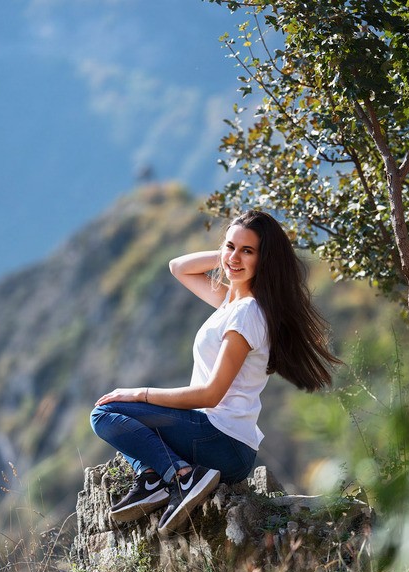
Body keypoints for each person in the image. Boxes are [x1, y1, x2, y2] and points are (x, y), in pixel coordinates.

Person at [90, 209, 341, 535]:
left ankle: (181, 476)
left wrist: (140, 393)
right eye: (230, 246)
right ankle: (156, 477)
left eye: (247, 251)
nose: (235, 257)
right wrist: (230, 257)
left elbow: (211, 394)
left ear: (264, 260)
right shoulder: (231, 301)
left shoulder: (247, 314)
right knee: (121, 422)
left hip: (220, 439)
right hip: (222, 440)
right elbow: (178, 267)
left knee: (106, 414)